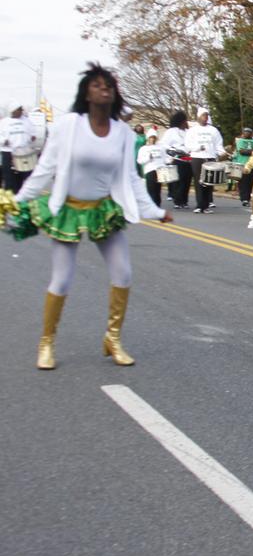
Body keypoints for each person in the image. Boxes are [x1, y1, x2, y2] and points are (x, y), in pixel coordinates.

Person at [8, 63, 172, 369]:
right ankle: (46, 343)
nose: (104, 88)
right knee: (62, 279)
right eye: (97, 84)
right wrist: (16, 202)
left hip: (102, 211)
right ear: (86, 93)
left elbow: (131, 178)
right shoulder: (69, 125)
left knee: (123, 274)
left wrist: (154, 210)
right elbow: (45, 170)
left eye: (108, 84)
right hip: (69, 209)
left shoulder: (123, 133)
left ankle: (113, 338)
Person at [185, 109, 225, 214]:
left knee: (209, 182)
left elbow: (218, 144)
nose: (205, 117)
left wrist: (221, 152)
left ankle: (206, 206)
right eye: (203, 115)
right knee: (199, 181)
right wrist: (198, 147)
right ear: (198, 117)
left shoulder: (213, 130)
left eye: (207, 116)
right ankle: (199, 205)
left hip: (210, 157)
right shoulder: (193, 130)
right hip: (197, 157)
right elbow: (188, 145)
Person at [0, 104, 40, 193]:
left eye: (21, 110)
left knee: (24, 175)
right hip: (8, 152)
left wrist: (32, 137)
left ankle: (21, 194)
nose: (21, 111)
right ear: (12, 111)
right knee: (9, 177)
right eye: (19, 110)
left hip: (23, 153)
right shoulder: (4, 122)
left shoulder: (27, 121)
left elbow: (33, 133)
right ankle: (9, 195)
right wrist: (4, 141)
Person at [161, 111, 192, 209]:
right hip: (177, 159)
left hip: (189, 159)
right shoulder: (171, 131)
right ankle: (177, 201)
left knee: (187, 180)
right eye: (185, 121)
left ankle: (184, 201)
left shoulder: (189, 132)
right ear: (180, 121)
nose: (186, 123)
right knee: (179, 180)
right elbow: (164, 144)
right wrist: (174, 151)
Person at [136, 132, 168, 207]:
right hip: (150, 170)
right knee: (151, 189)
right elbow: (139, 161)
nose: (152, 139)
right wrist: (148, 158)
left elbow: (165, 158)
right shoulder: (144, 148)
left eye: (154, 137)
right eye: (151, 137)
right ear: (148, 138)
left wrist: (169, 161)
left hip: (160, 170)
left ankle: (157, 205)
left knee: (158, 189)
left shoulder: (161, 148)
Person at [233, 127, 253, 206]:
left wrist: (251, 152)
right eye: (245, 132)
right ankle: (244, 199)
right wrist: (252, 151)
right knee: (243, 182)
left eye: (249, 132)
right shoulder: (240, 141)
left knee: (251, 182)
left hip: (252, 165)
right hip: (243, 164)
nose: (247, 133)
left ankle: (248, 198)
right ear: (243, 133)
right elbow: (242, 151)